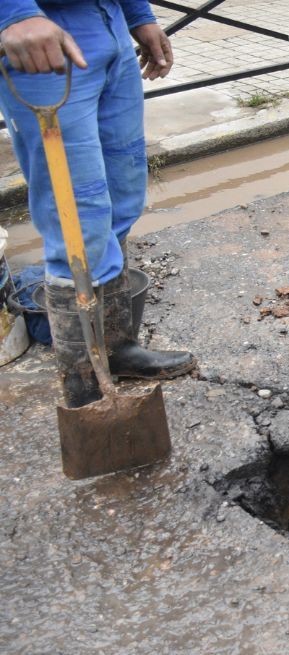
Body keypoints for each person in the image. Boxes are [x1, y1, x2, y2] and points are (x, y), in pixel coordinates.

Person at [0, 1, 194, 407]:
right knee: (76, 217)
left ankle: (117, 348)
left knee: (123, 198)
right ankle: (85, 385)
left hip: (107, 23)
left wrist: (138, 15)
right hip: (43, 37)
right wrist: (12, 13)